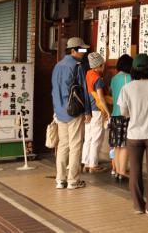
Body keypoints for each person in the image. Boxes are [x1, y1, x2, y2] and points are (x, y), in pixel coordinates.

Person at [118, 54, 148, 217]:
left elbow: (123, 112)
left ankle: (139, 206)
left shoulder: (127, 88)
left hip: (134, 135)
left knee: (135, 171)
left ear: (133, 70)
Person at [51, 37, 91, 190]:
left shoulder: (57, 66)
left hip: (60, 111)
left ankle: (60, 180)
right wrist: (87, 110)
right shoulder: (78, 66)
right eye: (81, 49)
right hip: (74, 111)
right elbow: (84, 91)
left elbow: (54, 90)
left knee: (63, 145)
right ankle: (73, 180)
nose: (84, 52)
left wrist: (55, 109)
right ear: (73, 50)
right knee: (75, 145)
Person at [82, 52, 110, 173]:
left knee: (88, 137)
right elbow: (101, 98)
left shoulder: (88, 74)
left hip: (89, 110)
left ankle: (86, 162)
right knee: (97, 138)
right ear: (98, 65)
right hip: (97, 111)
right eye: (103, 65)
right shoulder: (97, 79)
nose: (103, 68)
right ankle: (93, 164)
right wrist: (108, 112)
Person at [109, 54, 133, 179]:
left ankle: (118, 170)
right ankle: (123, 172)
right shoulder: (129, 77)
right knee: (124, 145)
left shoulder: (114, 79)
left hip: (114, 115)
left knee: (117, 145)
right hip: (125, 115)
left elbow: (112, 93)